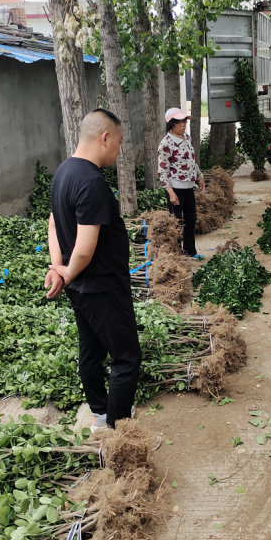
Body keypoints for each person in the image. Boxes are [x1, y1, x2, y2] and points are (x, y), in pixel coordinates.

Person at [44, 108, 141, 432]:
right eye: (119, 142)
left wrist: (58, 267)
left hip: (81, 289)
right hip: (102, 287)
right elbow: (85, 248)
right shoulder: (91, 182)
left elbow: (54, 222)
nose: (119, 150)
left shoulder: (63, 172)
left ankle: (101, 414)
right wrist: (68, 271)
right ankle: (118, 433)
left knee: (92, 350)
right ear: (105, 137)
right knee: (126, 358)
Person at [157, 107, 206, 260]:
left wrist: (200, 176)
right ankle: (177, 254)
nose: (183, 124)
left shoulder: (187, 137)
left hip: (188, 186)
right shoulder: (166, 144)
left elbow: (192, 160)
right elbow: (162, 169)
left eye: (184, 121)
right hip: (176, 188)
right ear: (171, 124)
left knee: (191, 219)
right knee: (176, 222)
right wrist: (170, 191)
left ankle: (190, 251)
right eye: (179, 122)